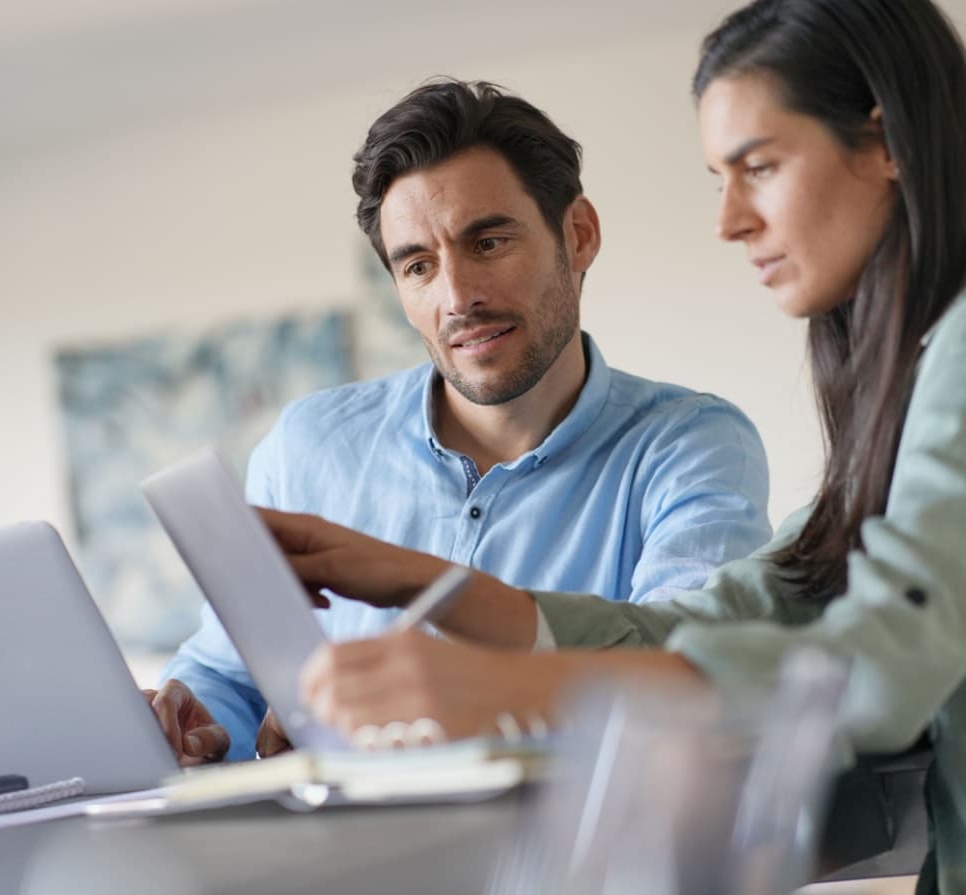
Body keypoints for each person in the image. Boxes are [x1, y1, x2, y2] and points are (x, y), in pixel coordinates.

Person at [258, 0, 966, 895]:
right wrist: (427, 581)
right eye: (720, 177)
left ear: (884, 141)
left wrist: (512, 691)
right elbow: (741, 610)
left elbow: (889, 657)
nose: (727, 219)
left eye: (758, 166)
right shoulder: (909, 378)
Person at [149, 79, 773, 762]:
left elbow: (694, 674)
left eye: (489, 242)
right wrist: (193, 723)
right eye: (418, 265)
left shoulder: (691, 445)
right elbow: (228, 675)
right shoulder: (307, 447)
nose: (458, 298)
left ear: (580, 234)